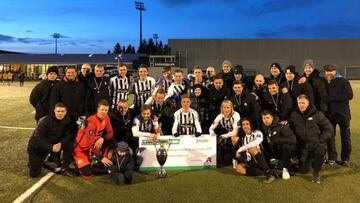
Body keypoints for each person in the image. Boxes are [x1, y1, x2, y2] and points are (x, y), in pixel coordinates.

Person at [289, 94, 333, 183]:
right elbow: (291, 126)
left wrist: (321, 139)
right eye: (299, 103)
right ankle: (311, 160)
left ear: (308, 103)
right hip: (304, 146)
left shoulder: (318, 114)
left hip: (317, 143)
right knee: (303, 171)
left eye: (303, 102)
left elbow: (329, 128)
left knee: (320, 151)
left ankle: (316, 173)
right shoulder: (294, 114)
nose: (301, 105)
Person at [27, 103, 73, 178]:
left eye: (62, 111)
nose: (60, 113)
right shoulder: (45, 120)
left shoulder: (67, 120)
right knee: (34, 174)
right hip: (37, 147)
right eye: (58, 111)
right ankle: (33, 163)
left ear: (66, 112)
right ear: (54, 111)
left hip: (53, 144)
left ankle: (65, 167)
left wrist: (60, 143)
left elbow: (68, 135)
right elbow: (38, 137)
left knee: (69, 144)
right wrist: (51, 147)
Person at [73, 100, 114, 179]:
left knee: (112, 141)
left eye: (106, 110)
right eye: (102, 109)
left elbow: (110, 133)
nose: (104, 112)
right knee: (87, 174)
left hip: (93, 147)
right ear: (97, 109)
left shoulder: (106, 118)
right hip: (81, 149)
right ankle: (76, 160)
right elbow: (91, 143)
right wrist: (101, 158)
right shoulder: (91, 122)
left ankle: (93, 159)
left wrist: (102, 138)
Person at [324, 64, 353, 166]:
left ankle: (345, 159)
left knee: (345, 137)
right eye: (327, 71)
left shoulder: (344, 81)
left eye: (331, 71)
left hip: (343, 114)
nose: (329, 73)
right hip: (330, 114)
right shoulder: (325, 82)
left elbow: (349, 95)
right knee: (330, 137)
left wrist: (331, 98)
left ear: (335, 71)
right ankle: (332, 158)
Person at [234, 117, 276, 184]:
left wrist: (240, 149)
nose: (245, 126)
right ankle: (265, 172)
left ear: (251, 125)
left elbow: (256, 142)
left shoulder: (257, 133)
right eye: (243, 125)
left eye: (247, 124)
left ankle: (270, 174)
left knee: (252, 148)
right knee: (238, 168)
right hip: (251, 162)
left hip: (262, 159)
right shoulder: (243, 137)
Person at [50, 66, 86, 138]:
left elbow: (84, 102)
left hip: (78, 117)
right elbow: (53, 103)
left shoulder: (81, 85)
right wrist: (56, 117)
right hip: (64, 118)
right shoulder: (58, 86)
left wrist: (82, 118)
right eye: (68, 72)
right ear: (65, 73)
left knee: (78, 135)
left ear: (76, 73)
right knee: (63, 137)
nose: (71, 74)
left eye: (73, 72)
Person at [261, 110, 296, 180]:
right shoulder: (264, 127)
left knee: (286, 146)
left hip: (286, 151)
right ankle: (268, 168)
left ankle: (285, 169)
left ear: (272, 118)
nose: (266, 120)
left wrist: (277, 140)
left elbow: (293, 140)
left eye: (268, 118)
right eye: (264, 118)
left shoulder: (282, 126)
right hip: (275, 149)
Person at [209, 100, 241, 167]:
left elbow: (236, 132)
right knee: (218, 139)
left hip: (239, 135)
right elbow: (211, 128)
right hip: (228, 134)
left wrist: (223, 136)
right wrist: (213, 134)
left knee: (233, 138)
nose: (226, 110)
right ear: (222, 108)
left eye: (228, 107)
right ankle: (218, 159)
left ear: (231, 108)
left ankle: (235, 159)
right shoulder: (220, 116)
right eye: (224, 107)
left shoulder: (236, 115)